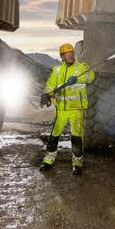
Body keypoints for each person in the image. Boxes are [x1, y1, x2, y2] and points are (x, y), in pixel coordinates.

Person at [39, 43, 95, 175]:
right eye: (67, 54)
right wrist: (46, 94)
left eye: (71, 53)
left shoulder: (82, 67)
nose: (70, 55)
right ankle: (47, 161)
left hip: (77, 110)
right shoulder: (57, 70)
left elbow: (91, 77)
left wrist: (77, 79)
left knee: (76, 138)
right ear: (62, 56)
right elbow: (50, 85)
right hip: (61, 111)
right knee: (54, 136)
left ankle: (77, 164)